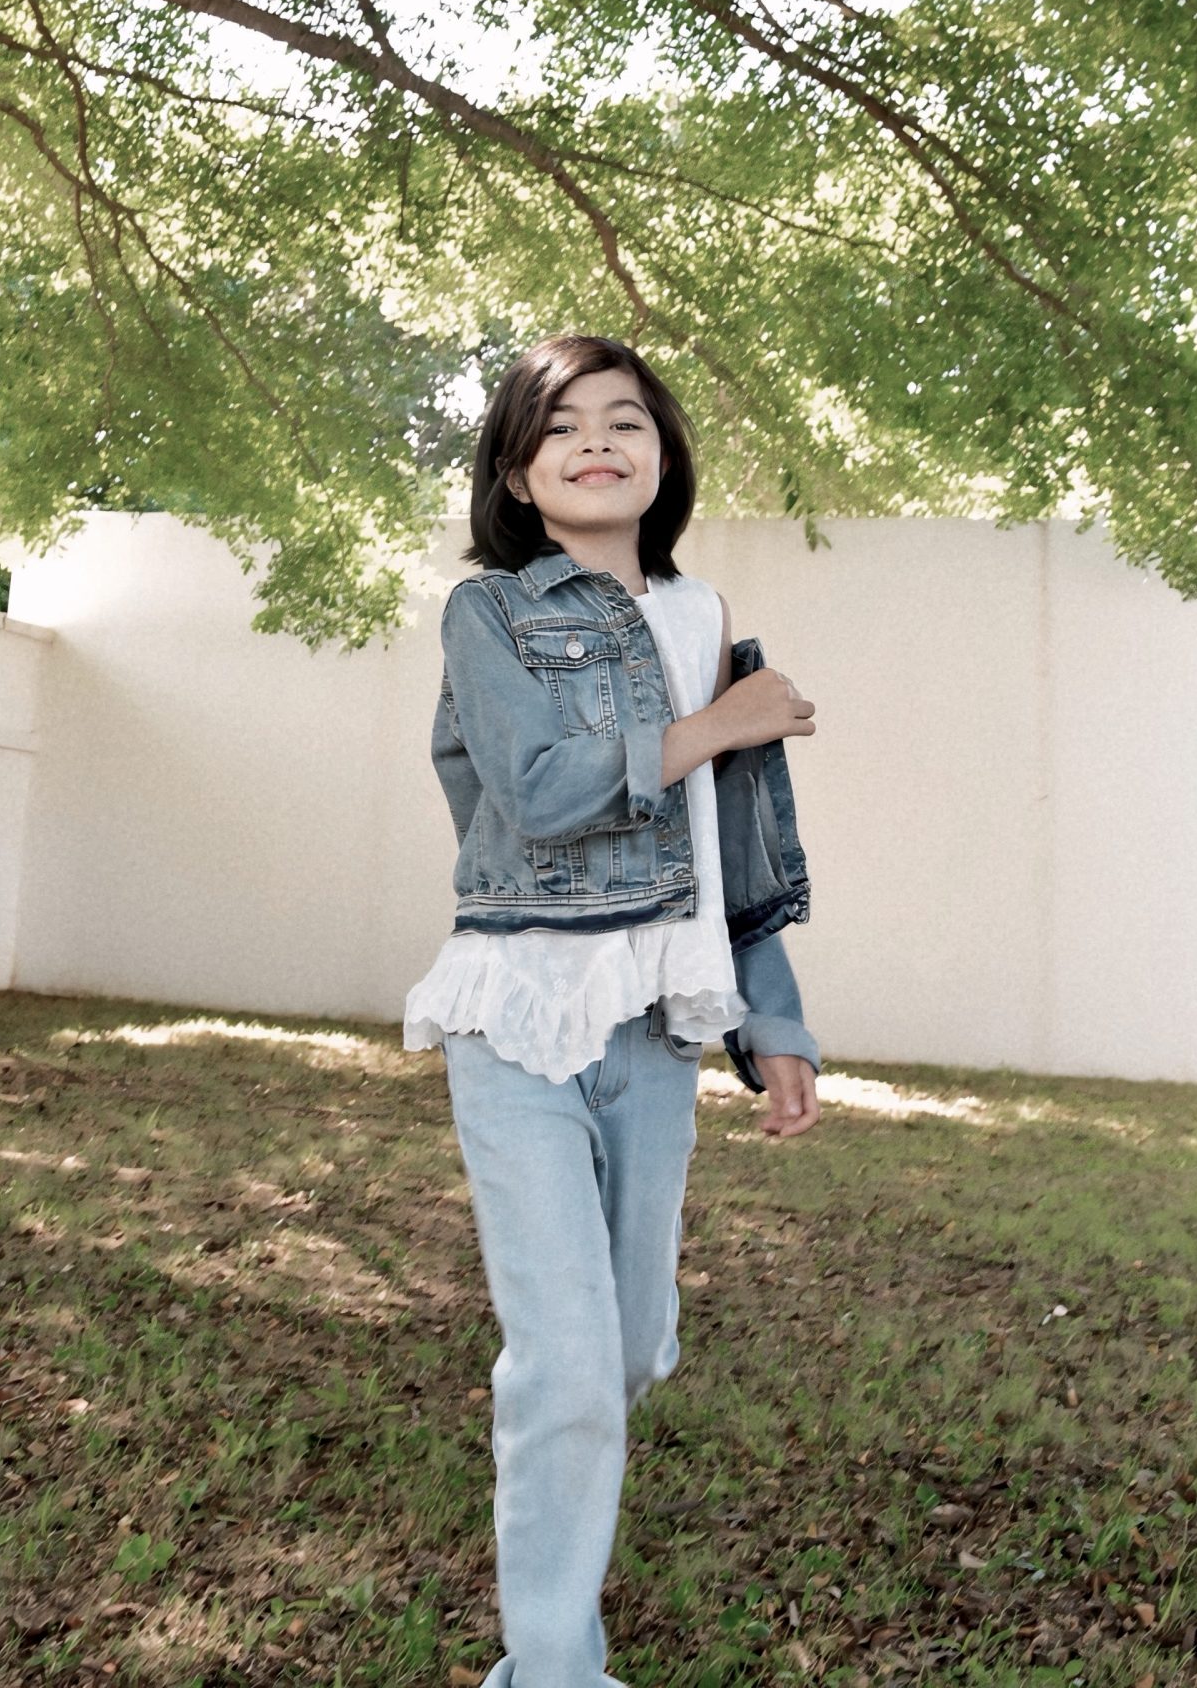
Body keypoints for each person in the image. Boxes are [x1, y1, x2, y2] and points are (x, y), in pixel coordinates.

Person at [403, 332, 822, 1688]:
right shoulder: (488, 614)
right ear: (516, 474)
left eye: (625, 420)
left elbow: (732, 844)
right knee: (570, 1371)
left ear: (663, 456)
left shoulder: (703, 621)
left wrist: (773, 1020)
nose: (597, 440)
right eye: (562, 424)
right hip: (518, 1018)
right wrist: (719, 723)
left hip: (655, 1025)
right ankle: (549, 1670)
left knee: (629, 1349)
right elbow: (537, 790)